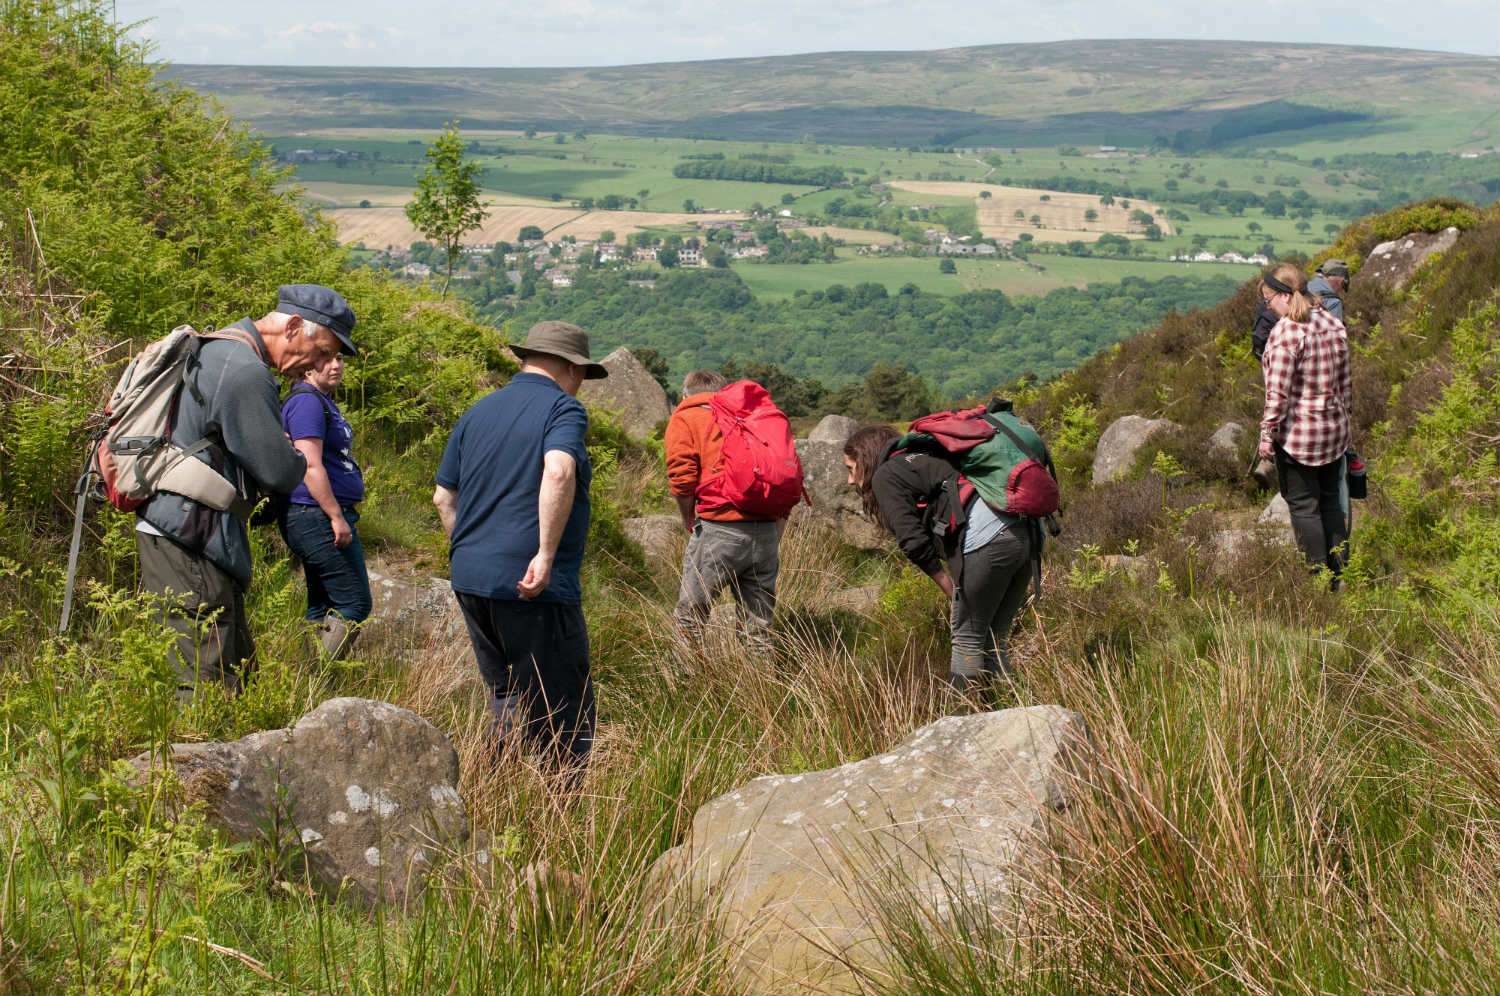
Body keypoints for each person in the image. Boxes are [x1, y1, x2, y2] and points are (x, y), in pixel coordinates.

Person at [136, 284, 357, 699]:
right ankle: (194, 758)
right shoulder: (246, 372)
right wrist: (293, 453)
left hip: (178, 528)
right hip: (192, 535)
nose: (322, 363)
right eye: (323, 350)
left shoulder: (217, 348)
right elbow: (280, 470)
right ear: (293, 326)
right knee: (205, 679)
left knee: (229, 667)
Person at [433, 320, 606, 771]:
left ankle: (499, 797)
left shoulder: (478, 412)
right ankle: (558, 814)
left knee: (506, 695)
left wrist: (474, 553)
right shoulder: (563, 411)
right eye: (583, 375)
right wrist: (544, 556)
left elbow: (443, 497)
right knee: (562, 709)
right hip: (535, 586)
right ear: (571, 368)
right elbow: (558, 472)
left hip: (471, 578)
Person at [843, 424, 1036, 691]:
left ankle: (959, 723)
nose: (850, 480)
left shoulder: (886, 474)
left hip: (989, 538)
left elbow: (913, 542)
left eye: (851, 469)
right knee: (994, 638)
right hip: (1027, 531)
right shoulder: (926, 456)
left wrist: (949, 586)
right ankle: (1008, 712)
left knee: (967, 638)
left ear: (865, 458)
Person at [664, 370, 785, 652]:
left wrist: (687, 517)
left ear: (685, 394)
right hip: (766, 530)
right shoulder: (753, 417)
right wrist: (776, 524)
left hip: (719, 528)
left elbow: (682, 477)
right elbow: (782, 471)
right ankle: (762, 691)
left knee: (691, 619)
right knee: (758, 629)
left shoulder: (686, 416)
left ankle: (683, 689)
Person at [1257, 262, 1353, 587]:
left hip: (1299, 437)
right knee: (1329, 500)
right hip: (1333, 432)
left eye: (1268, 299)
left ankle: (1317, 580)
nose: (1267, 306)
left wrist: (1267, 437)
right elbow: (1345, 383)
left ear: (1284, 296)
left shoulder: (1285, 333)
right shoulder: (1330, 320)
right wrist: (1345, 421)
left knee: (1303, 506)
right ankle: (1340, 573)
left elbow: (1277, 396)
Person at [280, 349, 371, 660]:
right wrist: (336, 516)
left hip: (313, 515)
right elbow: (309, 465)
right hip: (315, 515)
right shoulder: (307, 402)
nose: (336, 365)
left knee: (322, 604)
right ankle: (321, 678)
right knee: (354, 603)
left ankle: (306, 678)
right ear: (306, 367)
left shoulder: (319, 401)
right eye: (326, 359)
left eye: (341, 359)